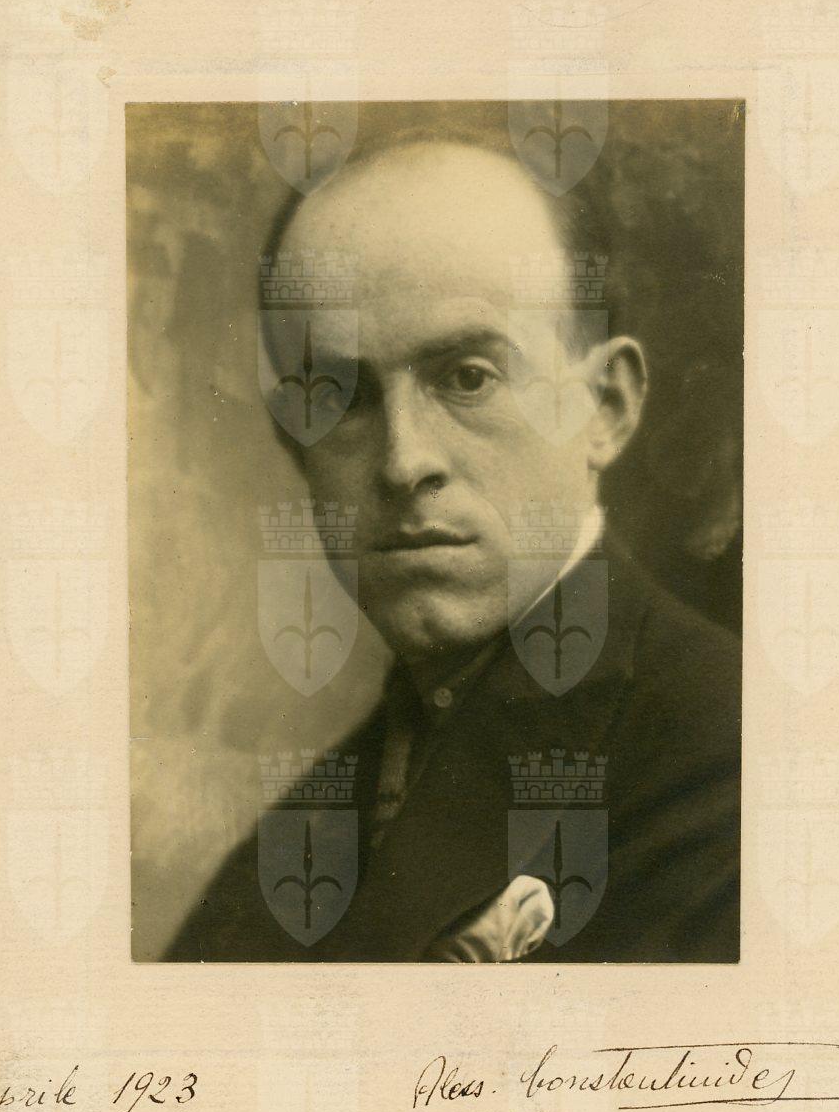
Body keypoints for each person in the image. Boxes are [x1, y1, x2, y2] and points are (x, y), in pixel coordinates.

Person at [168, 130, 740, 964]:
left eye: (468, 376)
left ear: (605, 408)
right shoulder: (287, 853)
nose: (403, 463)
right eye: (344, 397)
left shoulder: (732, 757)